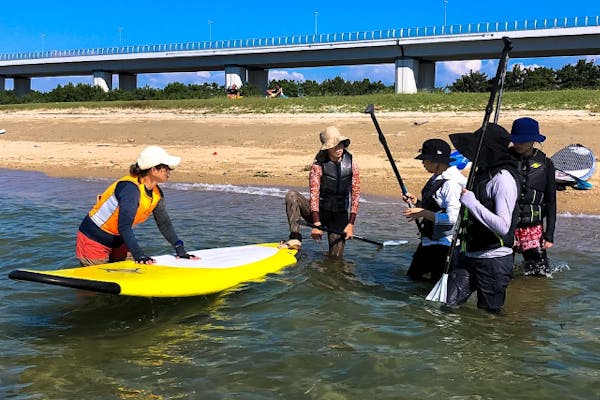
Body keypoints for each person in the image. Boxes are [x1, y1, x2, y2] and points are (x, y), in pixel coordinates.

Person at [76, 145, 198, 266]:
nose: (170, 171)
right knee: (102, 282)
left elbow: (164, 223)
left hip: (119, 240)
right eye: (166, 168)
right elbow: (124, 226)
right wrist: (139, 255)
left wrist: (179, 248)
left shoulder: (157, 194)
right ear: (153, 170)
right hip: (94, 240)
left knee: (128, 275)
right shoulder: (130, 189)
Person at [445, 123, 520, 313]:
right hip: (467, 255)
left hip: (494, 261)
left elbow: (503, 226)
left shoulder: (503, 179)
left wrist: (471, 202)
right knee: (446, 307)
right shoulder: (483, 173)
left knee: (489, 316)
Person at [280, 126, 360, 257]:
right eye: (334, 145)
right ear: (327, 148)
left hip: (338, 218)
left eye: (340, 144)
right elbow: (314, 195)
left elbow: (355, 195)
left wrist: (350, 224)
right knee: (292, 196)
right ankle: (295, 238)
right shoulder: (318, 166)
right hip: (318, 213)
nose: (338, 148)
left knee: (335, 261)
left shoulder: (352, 164)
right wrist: (316, 224)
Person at [402, 139, 467, 283]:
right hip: (430, 241)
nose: (423, 163)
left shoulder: (451, 183)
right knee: (414, 279)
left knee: (425, 283)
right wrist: (416, 202)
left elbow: (453, 218)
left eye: (425, 160)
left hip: (444, 246)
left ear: (436, 162)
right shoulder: (437, 177)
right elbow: (436, 206)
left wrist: (422, 213)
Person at [508, 117, 556, 276]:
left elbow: (550, 202)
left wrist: (549, 234)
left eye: (523, 141)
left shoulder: (546, 164)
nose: (518, 144)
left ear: (534, 140)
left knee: (539, 274)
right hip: (507, 227)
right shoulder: (504, 160)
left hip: (533, 228)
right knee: (503, 273)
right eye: (515, 140)